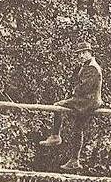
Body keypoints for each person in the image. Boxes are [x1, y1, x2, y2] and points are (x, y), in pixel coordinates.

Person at [39, 43, 104, 171]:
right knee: (77, 129)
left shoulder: (92, 67)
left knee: (57, 106)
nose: (81, 55)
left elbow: (85, 87)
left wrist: (75, 92)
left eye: (84, 53)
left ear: (90, 53)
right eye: (79, 53)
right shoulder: (87, 66)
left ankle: (55, 136)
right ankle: (75, 160)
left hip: (87, 101)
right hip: (88, 100)